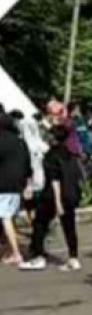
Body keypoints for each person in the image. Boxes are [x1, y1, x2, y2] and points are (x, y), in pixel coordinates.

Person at [20, 124, 83, 271]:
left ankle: (38, 255)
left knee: (40, 223)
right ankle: (73, 258)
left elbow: (55, 180)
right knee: (69, 227)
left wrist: (57, 202)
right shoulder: (70, 154)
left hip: (52, 196)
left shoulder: (51, 156)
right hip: (70, 194)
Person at [0, 113, 32, 264]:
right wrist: (27, 182)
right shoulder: (20, 142)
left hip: (3, 183)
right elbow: (27, 163)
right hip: (17, 183)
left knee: (5, 217)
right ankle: (8, 249)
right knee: (9, 217)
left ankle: (16, 252)